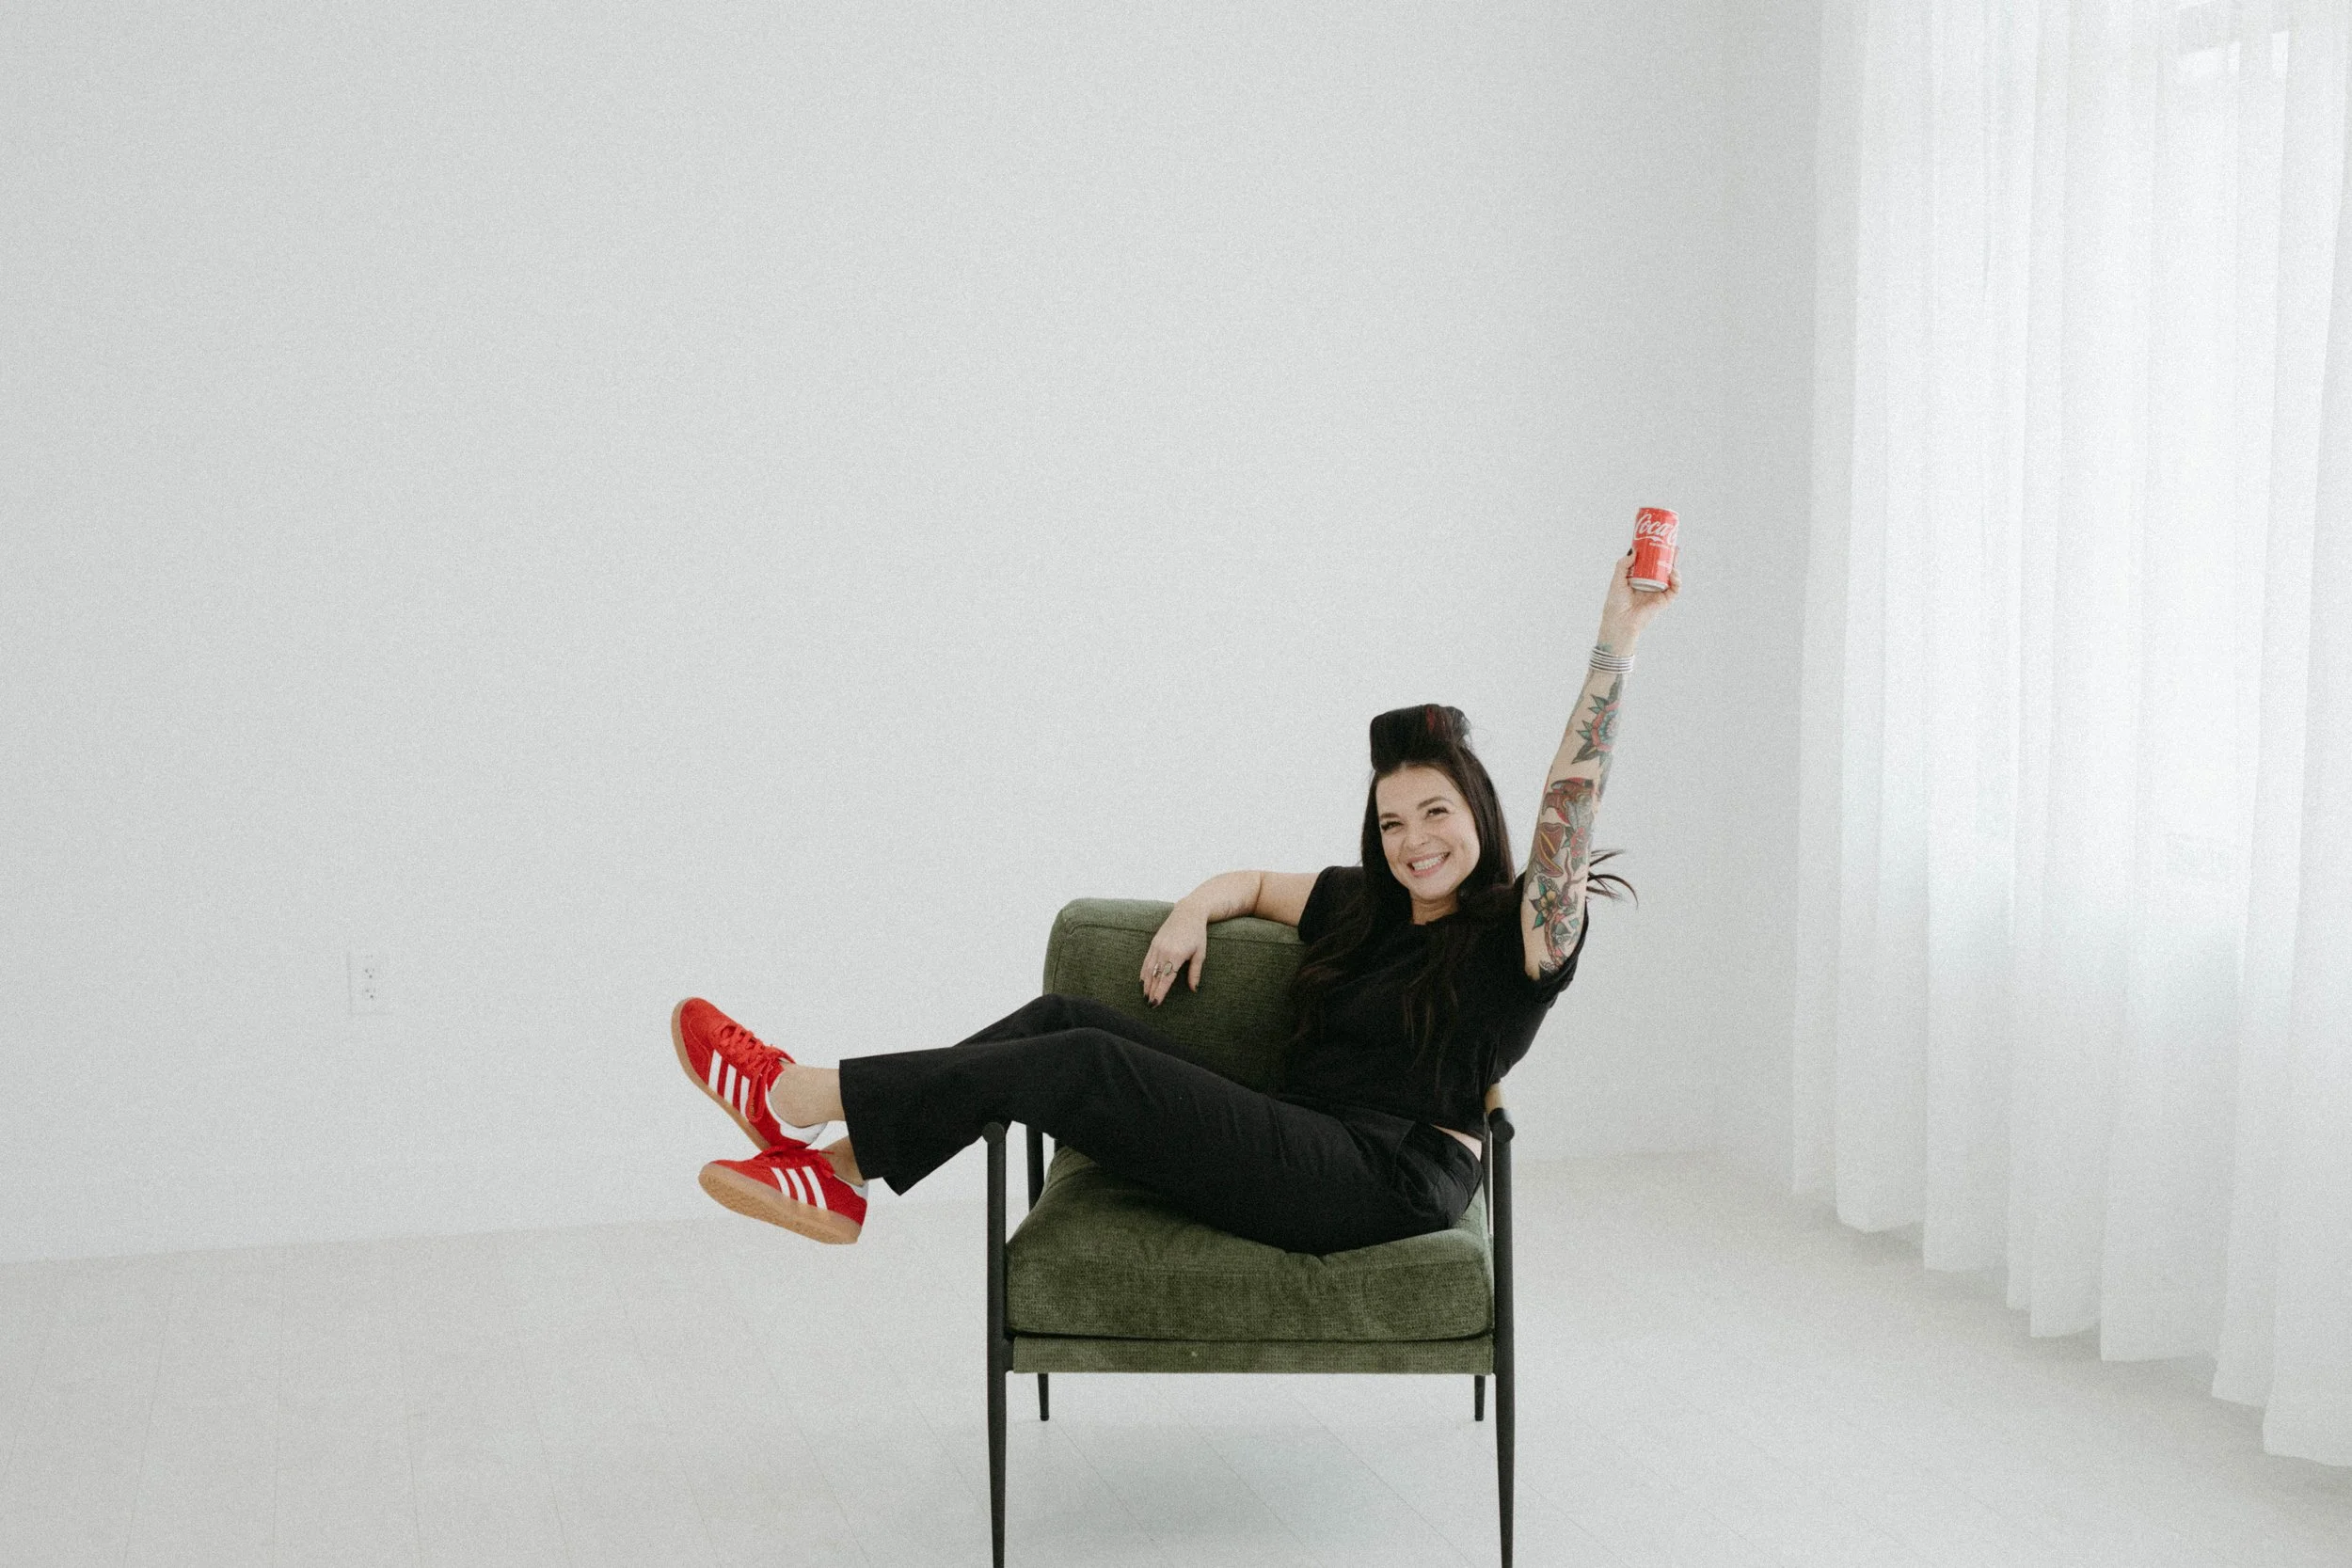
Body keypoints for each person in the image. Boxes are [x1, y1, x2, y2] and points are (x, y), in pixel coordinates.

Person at [673, 549, 1680, 1251]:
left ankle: (798, 1093)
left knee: (1087, 1061)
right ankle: (839, 1175)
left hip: (1384, 1178)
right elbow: (1249, 881)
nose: (1413, 841)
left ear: (1479, 811)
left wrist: (1615, 635)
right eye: (1390, 823)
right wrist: (1199, 904)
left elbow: (1570, 803)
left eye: (1434, 812)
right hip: (1301, 1137)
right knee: (1065, 1018)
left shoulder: (1519, 937)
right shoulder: (1360, 905)